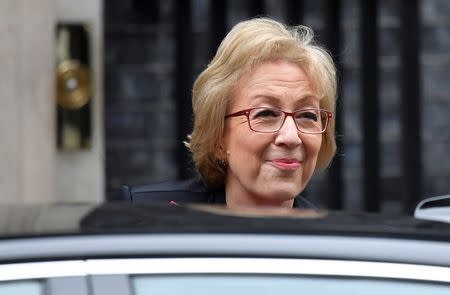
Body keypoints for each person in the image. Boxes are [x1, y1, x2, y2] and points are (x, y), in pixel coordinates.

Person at [121, 17, 337, 209]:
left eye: (307, 116)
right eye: (266, 114)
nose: (291, 137)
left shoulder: (333, 246)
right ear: (219, 139)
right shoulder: (144, 215)